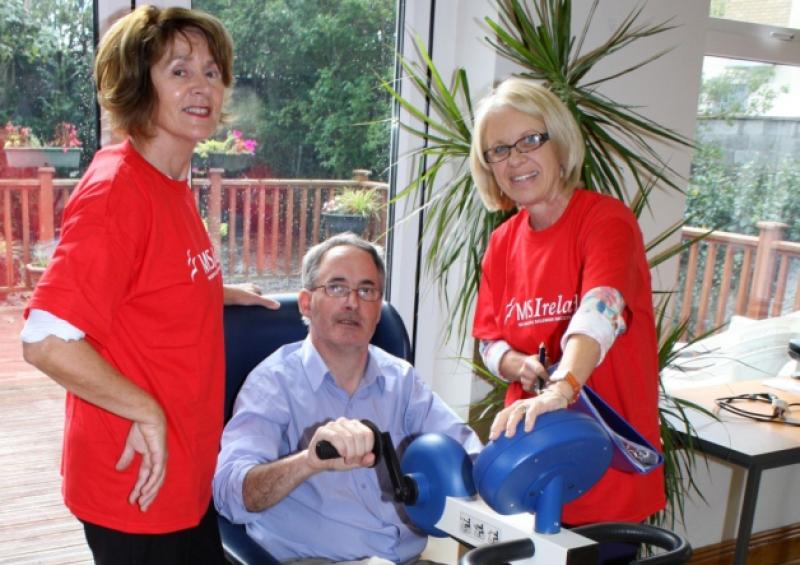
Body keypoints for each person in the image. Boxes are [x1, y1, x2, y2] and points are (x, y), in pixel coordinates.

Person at [20, 6, 278, 564]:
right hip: (135, 479)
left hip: (183, 467)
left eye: (212, 71)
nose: (203, 86)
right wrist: (145, 409)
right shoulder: (119, 191)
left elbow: (147, 279)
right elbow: (44, 339)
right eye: (179, 71)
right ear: (140, 84)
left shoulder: (169, 178)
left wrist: (216, 290)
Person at [469, 77, 665, 559]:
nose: (515, 159)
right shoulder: (501, 243)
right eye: (499, 150)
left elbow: (602, 310)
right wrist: (515, 364)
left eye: (530, 140)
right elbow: (488, 341)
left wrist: (563, 387)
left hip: (604, 474)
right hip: (530, 463)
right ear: (488, 166)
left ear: (561, 144)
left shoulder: (605, 221)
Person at [214, 233, 482, 565]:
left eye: (366, 291)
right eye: (336, 288)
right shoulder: (273, 383)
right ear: (306, 302)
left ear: (378, 310)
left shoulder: (401, 380)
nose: (352, 303)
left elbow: (469, 456)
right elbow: (230, 493)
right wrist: (309, 461)